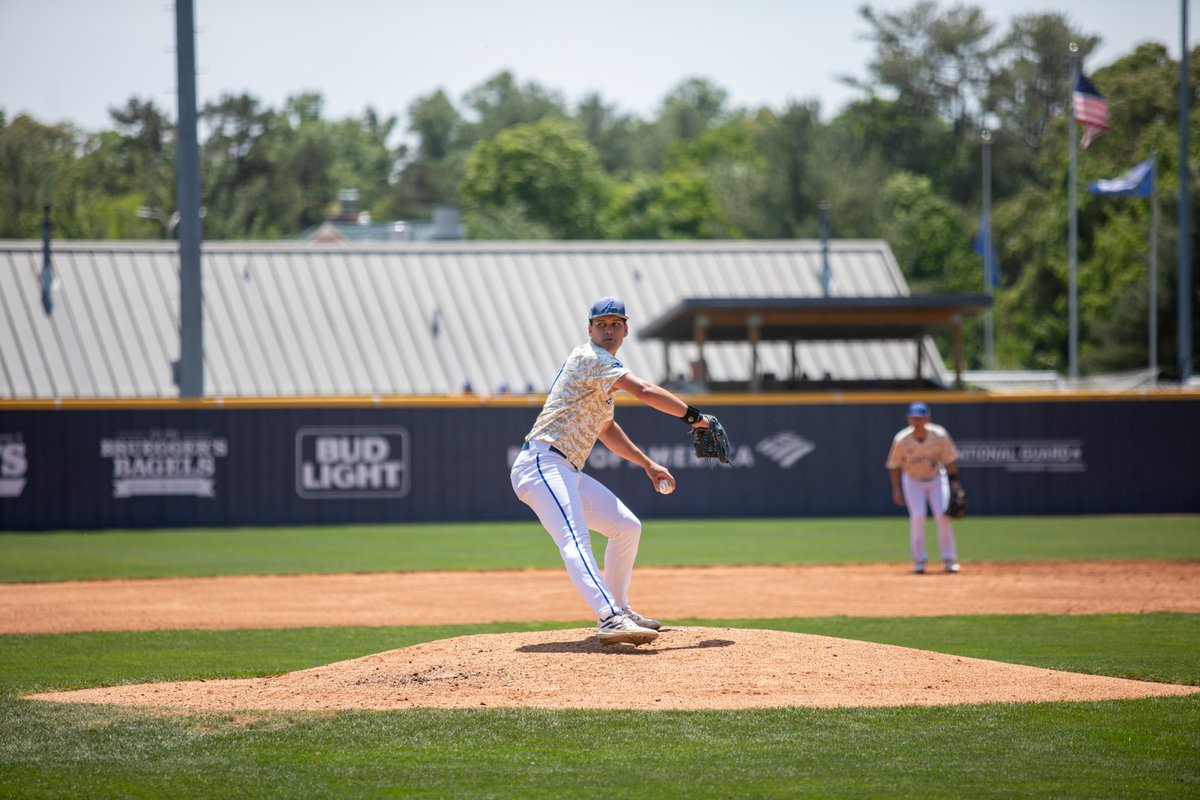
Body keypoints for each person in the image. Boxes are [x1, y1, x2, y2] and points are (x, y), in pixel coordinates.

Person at [510, 296, 711, 645]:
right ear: (589, 329)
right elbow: (645, 390)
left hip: (565, 469)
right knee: (574, 539)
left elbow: (606, 429)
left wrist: (647, 464)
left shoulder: (602, 373)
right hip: (541, 463)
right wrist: (694, 418)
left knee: (626, 527)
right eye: (601, 324)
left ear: (625, 330)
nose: (608, 329)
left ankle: (619, 606)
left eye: (615, 324)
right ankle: (609, 618)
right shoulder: (591, 358)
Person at [885, 401, 962, 574]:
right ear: (908, 419)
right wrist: (896, 489)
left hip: (936, 478)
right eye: (913, 418)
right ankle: (919, 561)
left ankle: (949, 560)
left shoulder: (939, 435)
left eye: (920, 418)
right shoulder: (901, 439)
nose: (917, 421)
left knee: (943, 516)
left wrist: (956, 485)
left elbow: (949, 460)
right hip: (913, 480)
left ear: (928, 418)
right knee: (918, 516)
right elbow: (894, 465)